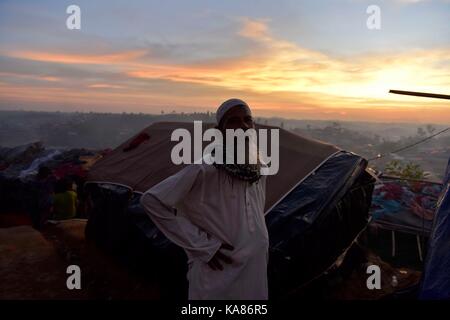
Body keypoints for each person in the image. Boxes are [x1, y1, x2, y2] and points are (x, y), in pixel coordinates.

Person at [140, 99, 269, 300]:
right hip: (219, 275)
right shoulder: (206, 167)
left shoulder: (258, 168)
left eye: (247, 120)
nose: (243, 126)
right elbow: (152, 201)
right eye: (234, 121)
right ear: (221, 131)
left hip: (254, 271)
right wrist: (203, 247)